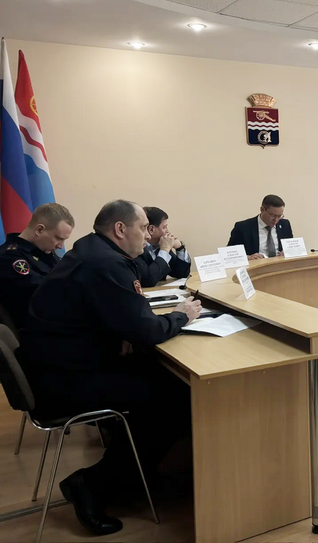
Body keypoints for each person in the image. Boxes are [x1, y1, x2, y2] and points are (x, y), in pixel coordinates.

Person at [17, 200, 202, 535]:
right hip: (63, 381)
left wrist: (124, 332)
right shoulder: (107, 264)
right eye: (143, 228)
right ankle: (91, 484)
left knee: (163, 379)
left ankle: (136, 472)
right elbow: (147, 331)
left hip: (57, 365)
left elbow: (115, 318)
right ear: (120, 229)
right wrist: (181, 316)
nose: (147, 235)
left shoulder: (91, 249)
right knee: (175, 398)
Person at [0, 203, 74, 331]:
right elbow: (49, 293)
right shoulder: (9, 257)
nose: (60, 246)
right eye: (58, 238)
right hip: (38, 331)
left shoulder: (46, 253)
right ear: (39, 230)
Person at [133, 206, 191, 287]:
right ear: (151, 230)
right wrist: (164, 250)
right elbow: (148, 280)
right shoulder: (136, 249)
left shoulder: (159, 245)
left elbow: (181, 273)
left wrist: (180, 248)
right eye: (164, 227)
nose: (167, 231)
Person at [227, 194, 293, 260]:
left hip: (280, 264)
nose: (276, 219)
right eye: (272, 215)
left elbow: (291, 247)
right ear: (262, 209)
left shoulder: (285, 224)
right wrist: (247, 257)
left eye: (279, 216)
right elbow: (229, 255)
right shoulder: (243, 227)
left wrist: (288, 251)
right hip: (257, 265)